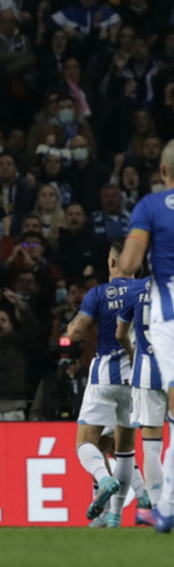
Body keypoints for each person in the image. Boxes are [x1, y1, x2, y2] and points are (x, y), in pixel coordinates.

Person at [119, 140, 174, 532]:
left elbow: (131, 264)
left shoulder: (150, 207)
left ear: (164, 173)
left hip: (168, 316)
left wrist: (124, 256)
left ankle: (165, 506)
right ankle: (166, 506)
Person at [66, 238, 136, 528]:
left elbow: (73, 333)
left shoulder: (98, 293)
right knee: (125, 451)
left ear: (111, 262)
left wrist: (74, 330)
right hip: (137, 379)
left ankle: (103, 479)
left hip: (105, 376)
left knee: (85, 443)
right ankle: (115, 516)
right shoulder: (147, 290)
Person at [116, 277, 164, 515]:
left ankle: (156, 508)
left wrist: (133, 353)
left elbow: (121, 333)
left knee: (152, 446)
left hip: (146, 372)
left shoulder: (135, 289)